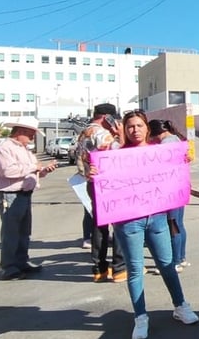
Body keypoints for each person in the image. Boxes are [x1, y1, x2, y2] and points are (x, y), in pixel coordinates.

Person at [89, 110, 199, 339]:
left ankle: (180, 306)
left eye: (139, 125)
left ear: (147, 128)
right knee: (136, 270)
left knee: (167, 264)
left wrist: (183, 161)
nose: (135, 130)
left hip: (157, 218)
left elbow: (176, 172)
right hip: (128, 223)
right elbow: (97, 176)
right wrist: (94, 174)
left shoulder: (158, 152)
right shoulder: (114, 154)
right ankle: (140, 317)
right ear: (124, 130)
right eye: (130, 126)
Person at [0, 117, 57, 280]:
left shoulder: (25, 150)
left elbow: (31, 171)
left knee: (23, 232)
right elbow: (8, 171)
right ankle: (9, 267)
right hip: (10, 194)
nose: (32, 138)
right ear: (20, 132)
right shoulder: (4, 149)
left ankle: (21, 262)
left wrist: (44, 170)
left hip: (24, 194)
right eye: (30, 134)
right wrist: (35, 167)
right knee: (11, 233)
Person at [75, 103, 126, 283]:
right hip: (108, 183)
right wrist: (120, 134)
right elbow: (119, 152)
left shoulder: (84, 132)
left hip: (91, 182)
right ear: (107, 118)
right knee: (120, 223)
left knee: (99, 226)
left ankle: (99, 269)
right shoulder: (101, 133)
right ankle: (119, 268)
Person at [149, 119, 190, 272]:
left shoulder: (166, 144)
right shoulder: (176, 139)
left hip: (169, 190)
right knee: (178, 224)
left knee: (172, 226)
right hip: (180, 187)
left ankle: (175, 262)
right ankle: (181, 257)